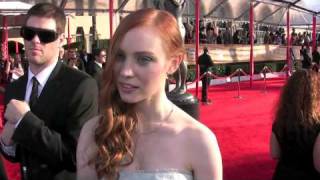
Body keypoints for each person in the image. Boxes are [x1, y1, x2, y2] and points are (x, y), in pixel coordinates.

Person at [77, 8, 222, 180]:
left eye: (144, 59)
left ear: (174, 64)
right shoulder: (95, 132)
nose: (125, 71)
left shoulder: (198, 141)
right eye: (120, 56)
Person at [0, 3, 99, 180]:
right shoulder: (15, 88)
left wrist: (25, 120)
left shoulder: (82, 86)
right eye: (29, 33)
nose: (35, 40)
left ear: (61, 40)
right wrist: (6, 144)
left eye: (45, 35)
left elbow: (76, 157)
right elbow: (16, 154)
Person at [270, 69, 320, 180]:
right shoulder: (317, 125)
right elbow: (318, 165)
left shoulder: (280, 121)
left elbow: (275, 153)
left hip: (283, 175)